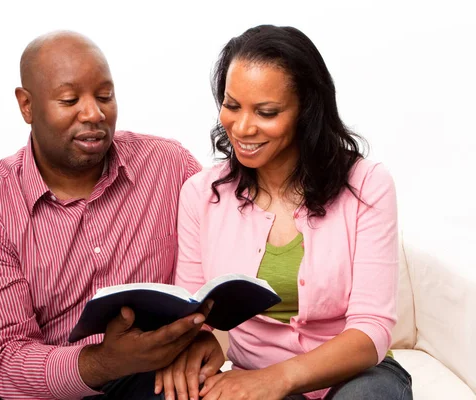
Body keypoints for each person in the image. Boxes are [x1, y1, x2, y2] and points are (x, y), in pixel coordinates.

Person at [0, 31, 220, 400]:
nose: (94, 113)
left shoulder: (169, 166)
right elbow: (0, 356)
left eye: (105, 96)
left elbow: (219, 263)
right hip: (40, 377)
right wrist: (102, 363)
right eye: (69, 99)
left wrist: (203, 338)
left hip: (149, 370)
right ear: (27, 105)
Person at [156, 25, 413, 400]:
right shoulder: (202, 194)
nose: (241, 127)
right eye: (231, 105)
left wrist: (277, 379)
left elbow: (372, 328)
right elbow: (194, 310)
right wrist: (198, 342)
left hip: (359, 376)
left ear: (306, 111)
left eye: (266, 111)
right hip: (253, 378)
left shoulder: (368, 184)